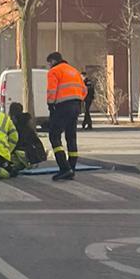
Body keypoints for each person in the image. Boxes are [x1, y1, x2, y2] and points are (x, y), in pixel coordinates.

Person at [45, 49, 87, 180]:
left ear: (53, 61)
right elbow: (84, 90)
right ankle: (71, 168)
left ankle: (64, 168)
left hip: (62, 106)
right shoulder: (74, 71)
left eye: (49, 63)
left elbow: (52, 90)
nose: (49, 66)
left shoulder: (54, 71)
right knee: (71, 137)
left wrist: (51, 105)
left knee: (54, 136)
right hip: (76, 105)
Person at [9, 100, 47, 170]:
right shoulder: (26, 125)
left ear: (13, 116)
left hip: (25, 154)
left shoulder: (15, 127)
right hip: (34, 154)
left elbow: (14, 144)